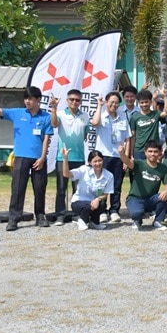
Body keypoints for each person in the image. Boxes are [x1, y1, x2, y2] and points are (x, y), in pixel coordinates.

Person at [0, 87, 53, 231]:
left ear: (38, 99)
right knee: (17, 189)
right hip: (21, 157)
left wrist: (42, 158)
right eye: (25, 98)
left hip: (38, 159)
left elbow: (46, 139)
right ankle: (14, 219)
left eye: (30, 99)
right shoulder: (17, 113)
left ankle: (40, 217)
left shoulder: (46, 117)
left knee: (40, 188)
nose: (27, 101)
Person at [50, 88, 90, 226]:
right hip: (63, 157)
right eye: (72, 99)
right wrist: (53, 108)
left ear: (80, 101)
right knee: (61, 188)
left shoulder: (85, 116)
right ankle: (60, 215)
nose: (74, 102)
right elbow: (54, 124)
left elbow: (85, 135)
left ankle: (77, 214)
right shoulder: (60, 114)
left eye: (77, 100)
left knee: (78, 189)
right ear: (67, 100)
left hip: (79, 157)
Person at [91, 92, 132, 223]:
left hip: (118, 156)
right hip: (103, 156)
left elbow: (128, 139)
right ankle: (102, 210)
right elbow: (95, 123)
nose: (114, 105)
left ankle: (114, 210)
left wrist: (126, 158)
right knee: (100, 185)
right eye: (111, 102)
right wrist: (99, 105)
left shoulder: (123, 118)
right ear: (107, 102)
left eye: (116, 103)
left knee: (116, 185)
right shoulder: (101, 116)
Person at [118, 141, 167, 230]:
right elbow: (127, 161)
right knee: (136, 213)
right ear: (145, 152)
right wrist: (122, 153)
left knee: (166, 196)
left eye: (155, 151)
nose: (152, 154)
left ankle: (158, 221)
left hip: (151, 199)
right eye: (150, 151)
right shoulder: (139, 163)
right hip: (136, 198)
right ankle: (137, 220)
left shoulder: (162, 168)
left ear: (160, 153)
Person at [61, 147, 113, 231]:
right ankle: (82, 220)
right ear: (90, 162)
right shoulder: (84, 170)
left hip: (94, 201)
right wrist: (65, 158)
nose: (98, 163)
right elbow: (66, 174)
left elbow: (105, 195)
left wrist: (97, 199)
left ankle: (95, 222)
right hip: (79, 201)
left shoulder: (109, 175)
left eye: (100, 160)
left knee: (102, 204)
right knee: (88, 206)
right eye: (95, 161)